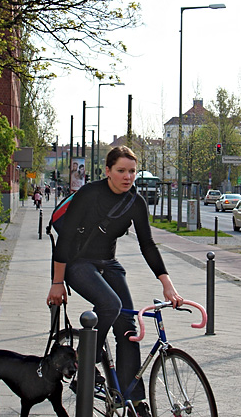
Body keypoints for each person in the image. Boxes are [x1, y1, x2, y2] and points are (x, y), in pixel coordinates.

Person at [46, 146, 182, 417]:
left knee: (128, 327)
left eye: (132, 171)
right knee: (110, 303)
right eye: (121, 170)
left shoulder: (136, 202)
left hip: (109, 264)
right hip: (77, 262)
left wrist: (167, 283)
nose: (127, 176)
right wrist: (57, 282)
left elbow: (148, 245)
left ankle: (132, 400)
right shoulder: (89, 194)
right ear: (107, 171)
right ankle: (86, 367)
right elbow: (66, 240)